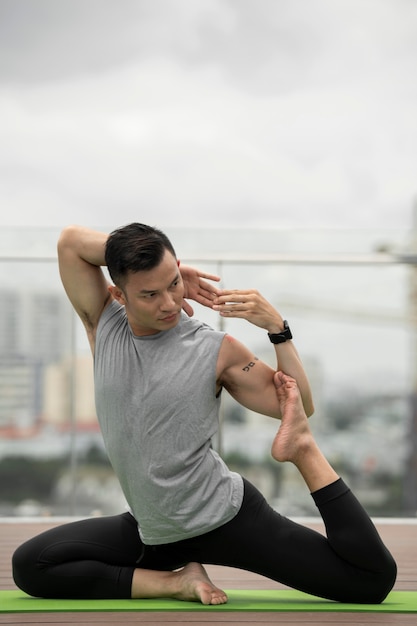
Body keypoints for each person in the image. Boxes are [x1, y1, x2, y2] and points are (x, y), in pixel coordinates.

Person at [12, 223, 396, 605]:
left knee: (369, 582)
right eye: (150, 293)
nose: (169, 303)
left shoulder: (215, 349)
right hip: (153, 531)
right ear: (119, 294)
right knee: (32, 566)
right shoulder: (104, 323)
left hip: (226, 519)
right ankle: (175, 583)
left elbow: (299, 405)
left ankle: (305, 451)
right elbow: (70, 243)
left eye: (174, 285)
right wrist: (158, 268)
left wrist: (278, 331)